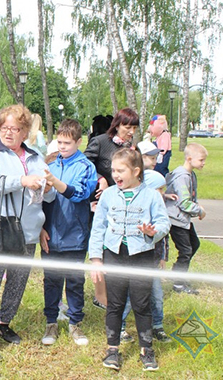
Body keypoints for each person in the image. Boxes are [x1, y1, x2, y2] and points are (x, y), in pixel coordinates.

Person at [0, 104, 56, 358]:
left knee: (18, 281)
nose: (8, 133)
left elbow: (47, 198)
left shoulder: (35, 157)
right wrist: (22, 180)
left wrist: (47, 190)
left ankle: (3, 324)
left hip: (28, 230)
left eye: (15, 128)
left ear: (25, 132)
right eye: (4, 127)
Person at [89, 148, 170, 372]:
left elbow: (164, 223)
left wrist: (153, 232)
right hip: (114, 256)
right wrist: (96, 259)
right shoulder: (108, 195)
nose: (115, 175)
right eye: (113, 170)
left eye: (120, 170)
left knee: (141, 304)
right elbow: (98, 228)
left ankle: (147, 349)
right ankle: (112, 349)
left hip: (142, 256)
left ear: (136, 171)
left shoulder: (152, 195)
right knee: (114, 304)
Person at [39, 119, 97, 346]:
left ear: (78, 142)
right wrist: (41, 228)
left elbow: (80, 195)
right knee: (51, 280)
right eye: (59, 142)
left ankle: (75, 323)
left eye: (67, 143)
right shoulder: (50, 166)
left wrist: (56, 183)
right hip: (50, 233)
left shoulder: (86, 167)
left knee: (74, 280)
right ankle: (51, 322)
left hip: (75, 234)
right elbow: (40, 202)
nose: (62, 147)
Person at [119, 141, 175, 344]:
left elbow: (165, 236)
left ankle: (157, 326)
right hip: (135, 262)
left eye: (163, 189)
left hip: (153, 263)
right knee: (127, 298)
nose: (162, 193)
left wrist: (162, 257)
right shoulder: (138, 213)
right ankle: (121, 327)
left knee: (156, 296)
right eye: (159, 189)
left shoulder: (159, 214)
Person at [84, 108, 139, 310]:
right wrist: (101, 179)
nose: (130, 131)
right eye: (127, 126)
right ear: (116, 125)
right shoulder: (100, 142)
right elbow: (85, 164)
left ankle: (119, 294)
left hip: (124, 207)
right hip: (99, 204)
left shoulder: (133, 148)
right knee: (100, 248)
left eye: (134, 127)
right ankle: (100, 297)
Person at [165, 143, 208, 294]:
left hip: (183, 219)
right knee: (186, 250)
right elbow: (183, 202)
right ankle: (178, 284)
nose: (203, 163)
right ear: (189, 159)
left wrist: (196, 207)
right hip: (176, 220)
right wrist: (199, 211)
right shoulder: (182, 176)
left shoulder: (190, 174)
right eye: (201, 160)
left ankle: (177, 273)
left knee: (194, 244)